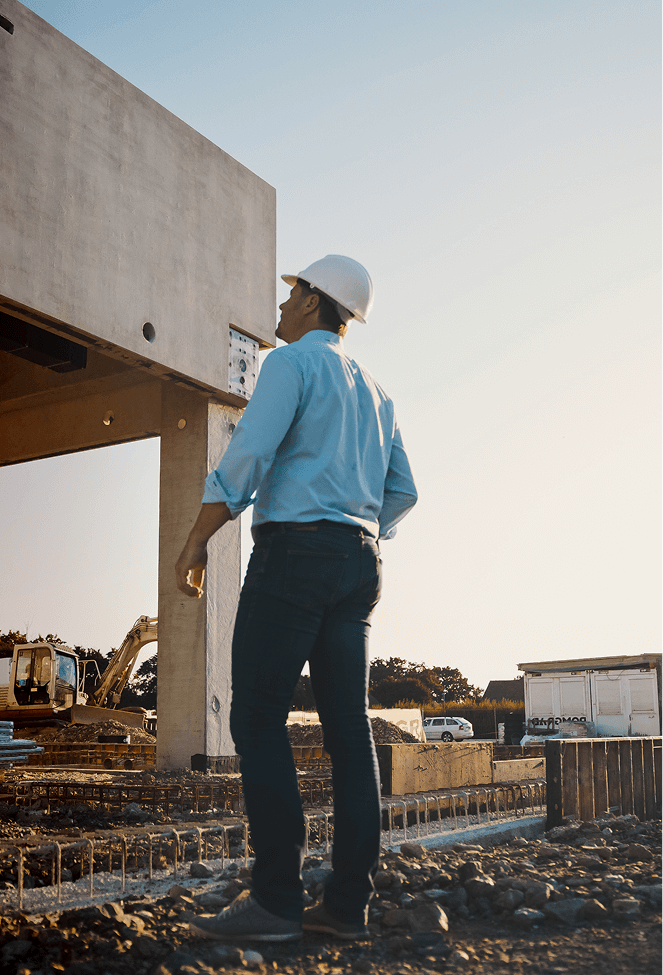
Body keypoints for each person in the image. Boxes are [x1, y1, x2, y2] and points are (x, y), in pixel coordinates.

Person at [174, 254, 417, 943]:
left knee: (255, 718)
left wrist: (196, 539)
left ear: (314, 301)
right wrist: (358, 528)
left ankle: (277, 900)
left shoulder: (289, 366)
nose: (280, 307)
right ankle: (346, 904)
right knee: (348, 732)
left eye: (291, 294)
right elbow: (404, 492)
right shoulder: (377, 391)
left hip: (294, 556)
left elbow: (248, 452)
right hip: (359, 563)